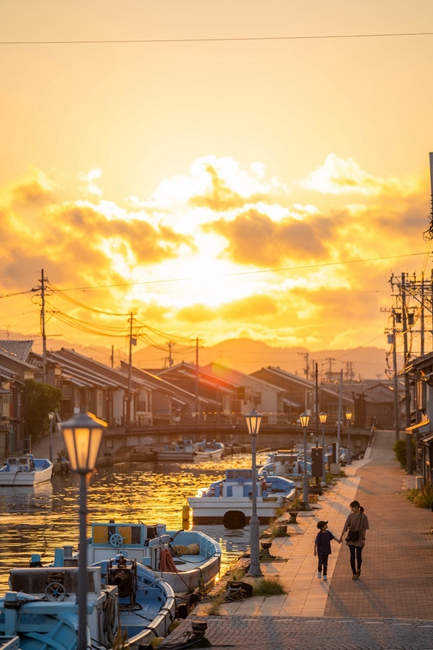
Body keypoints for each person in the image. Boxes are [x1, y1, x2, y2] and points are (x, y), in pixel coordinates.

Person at [338, 500, 369, 580]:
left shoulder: (363, 517)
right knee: (352, 556)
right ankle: (354, 573)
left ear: (357, 507)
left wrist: (363, 539)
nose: (352, 510)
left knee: (358, 556)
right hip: (351, 538)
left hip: (359, 538)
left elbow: (364, 529)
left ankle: (358, 568)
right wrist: (341, 537)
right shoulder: (350, 516)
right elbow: (345, 527)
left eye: (353, 508)